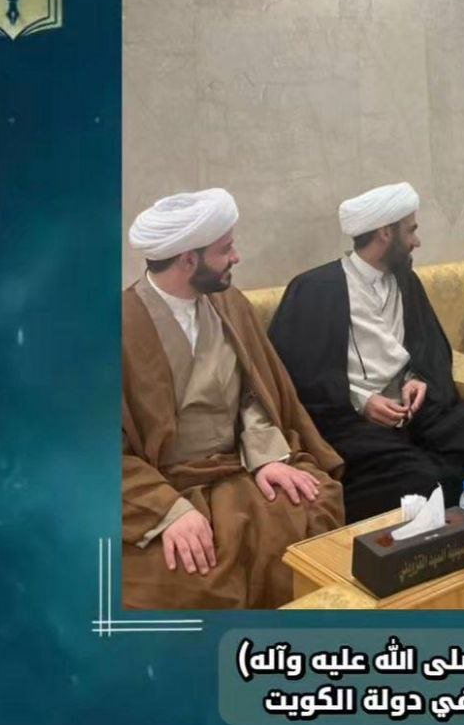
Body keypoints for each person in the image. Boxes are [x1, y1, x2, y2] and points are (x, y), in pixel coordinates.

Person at [268, 183, 464, 569]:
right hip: (348, 421)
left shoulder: (405, 281)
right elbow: (295, 377)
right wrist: (361, 402)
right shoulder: (315, 290)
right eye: (410, 230)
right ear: (385, 233)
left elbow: (431, 349)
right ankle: (443, 579)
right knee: (419, 477)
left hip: (413, 410)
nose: (416, 241)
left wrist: (418, 378)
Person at [121, 188, 345, 609]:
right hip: (162, 484)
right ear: (189, 260)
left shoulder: (229, 303)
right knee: (188, 575)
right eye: (225, 249)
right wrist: (168, 511)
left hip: (237, 464)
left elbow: (255, 393)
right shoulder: (118, 326)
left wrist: (266, 457)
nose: (236, 257)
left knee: (310, 507)